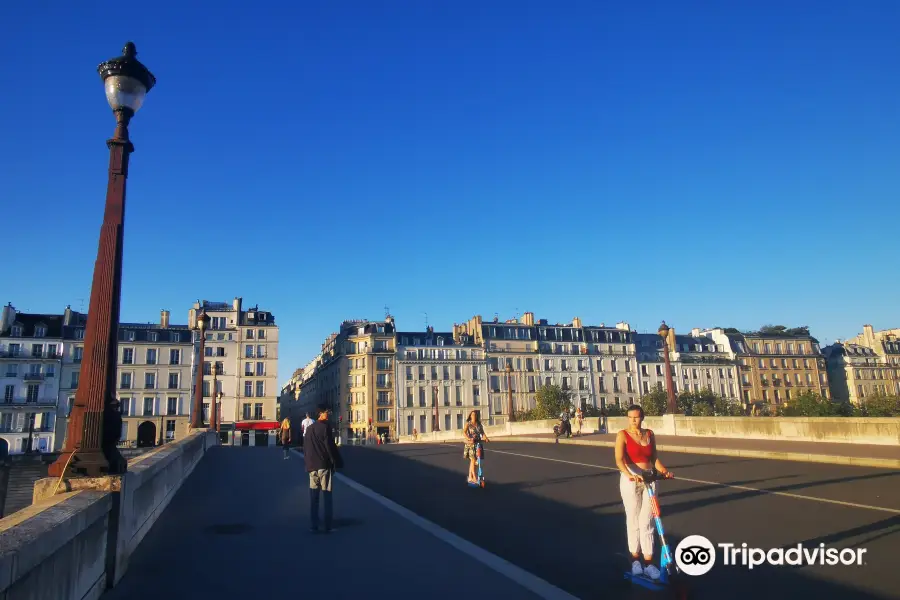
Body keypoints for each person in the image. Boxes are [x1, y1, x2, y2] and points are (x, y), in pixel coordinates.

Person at [615, 404, 672, 581]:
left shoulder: (649, 434)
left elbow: (654, 458)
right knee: (633, 521)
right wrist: (630, 475)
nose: (634, 420)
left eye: (637, 417)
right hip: (631, 479)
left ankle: (648, 563)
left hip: (649, 479)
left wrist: (664, 471)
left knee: (647, 521)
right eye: (630, 417)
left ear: (642, 417)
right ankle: (635, 561)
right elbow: (619, 460)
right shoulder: (622, 435)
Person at [304, 404, 343, 533]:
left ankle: (314, 525)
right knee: (327, 496)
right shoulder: (325, 427)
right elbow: (329, 446)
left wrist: (308, 464)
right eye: (326, 412)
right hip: (323, 465)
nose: (328, 414)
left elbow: (306, 448)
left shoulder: (309, 429)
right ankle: (328, 526)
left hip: (311, 466)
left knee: (313, 498)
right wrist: (335, 461)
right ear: (320, 414)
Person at [463, 410, 489, 483]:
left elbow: (482, 433)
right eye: (472, 415)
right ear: (470, 416)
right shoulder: (468, 424)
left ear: (476, 416)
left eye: (474, 415)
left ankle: (470, 477)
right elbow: (464, 432)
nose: (473, 416)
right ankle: (474, 476)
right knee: (473, 460)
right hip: (471, 444)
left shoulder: (479, 424)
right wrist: (468, 438)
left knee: (476, 461)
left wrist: (485, 438)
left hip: (478, 443)